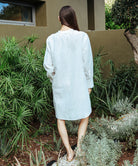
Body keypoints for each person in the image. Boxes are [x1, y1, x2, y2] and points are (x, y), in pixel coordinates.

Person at [43, 5, 94, 162]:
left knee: (61, 119)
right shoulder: (83, 37)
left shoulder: (51, 39)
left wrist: (55, 79)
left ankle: (69, 152)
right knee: (85, 115)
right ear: (73, 19)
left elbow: (48, 66)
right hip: (79, 84)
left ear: (59, 19)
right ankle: (79, 148)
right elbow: (87, 64)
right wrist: (89, 84)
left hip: (60, 85)